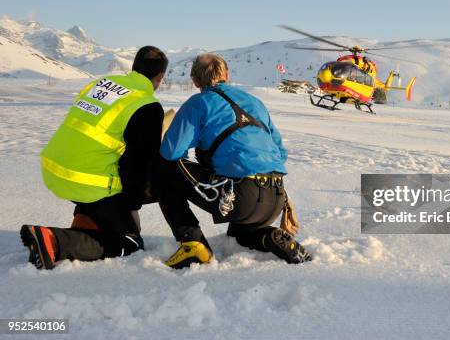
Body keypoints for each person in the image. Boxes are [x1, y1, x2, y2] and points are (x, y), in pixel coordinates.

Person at [154, 53, 311, 269]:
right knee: (240, 236)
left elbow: (171, 153)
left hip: (240, 198)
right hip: (275, 197)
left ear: (195, 81)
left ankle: (192, 241)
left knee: (163, 170)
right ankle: (270, 237)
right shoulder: (255, 102)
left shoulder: (199, 103)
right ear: (226, 75)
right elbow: (280, 154)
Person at [20, 46, 167, 270]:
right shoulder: (146, 105)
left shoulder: (103, 84)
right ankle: (54, 241)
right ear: (160, 77)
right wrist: (132, 206)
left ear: (134, 67)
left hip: (54, 168)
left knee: (108, 196)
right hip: (88, 181)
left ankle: (87, 218)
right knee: (130, 243)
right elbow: (137, 164)